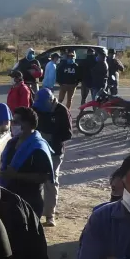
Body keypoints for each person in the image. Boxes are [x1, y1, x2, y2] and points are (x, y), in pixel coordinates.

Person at [0, 106, 55, 218]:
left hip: (30, 203)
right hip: (10, 199)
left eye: (16, 122)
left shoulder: (38, 147)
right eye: (12, 121)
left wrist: (16, 175)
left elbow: (43, 177)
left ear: (28, 124)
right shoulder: (12, 143)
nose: (12, 125)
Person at [34, 88, 73, 226]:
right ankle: (35, 212)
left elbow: (68, 134)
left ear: (51, 101)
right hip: (38, 150)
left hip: (55, 152)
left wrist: (50, 137)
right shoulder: (36, 108)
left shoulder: (62, 111)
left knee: (51, 181)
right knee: (35, 180)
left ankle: (50, 215)